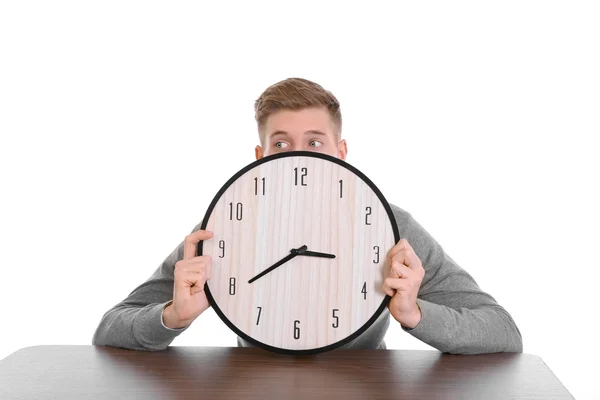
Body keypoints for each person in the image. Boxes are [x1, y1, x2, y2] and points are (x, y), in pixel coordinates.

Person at [92, 78, 523, 354]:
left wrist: (414, 313)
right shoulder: (222, 225)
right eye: (281, 144)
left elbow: (502, 332)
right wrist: (173, 316)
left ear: (342, 152)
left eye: (314, 143)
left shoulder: (391, 225)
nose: (298, 156)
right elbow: (110, 327)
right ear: (260, 157)